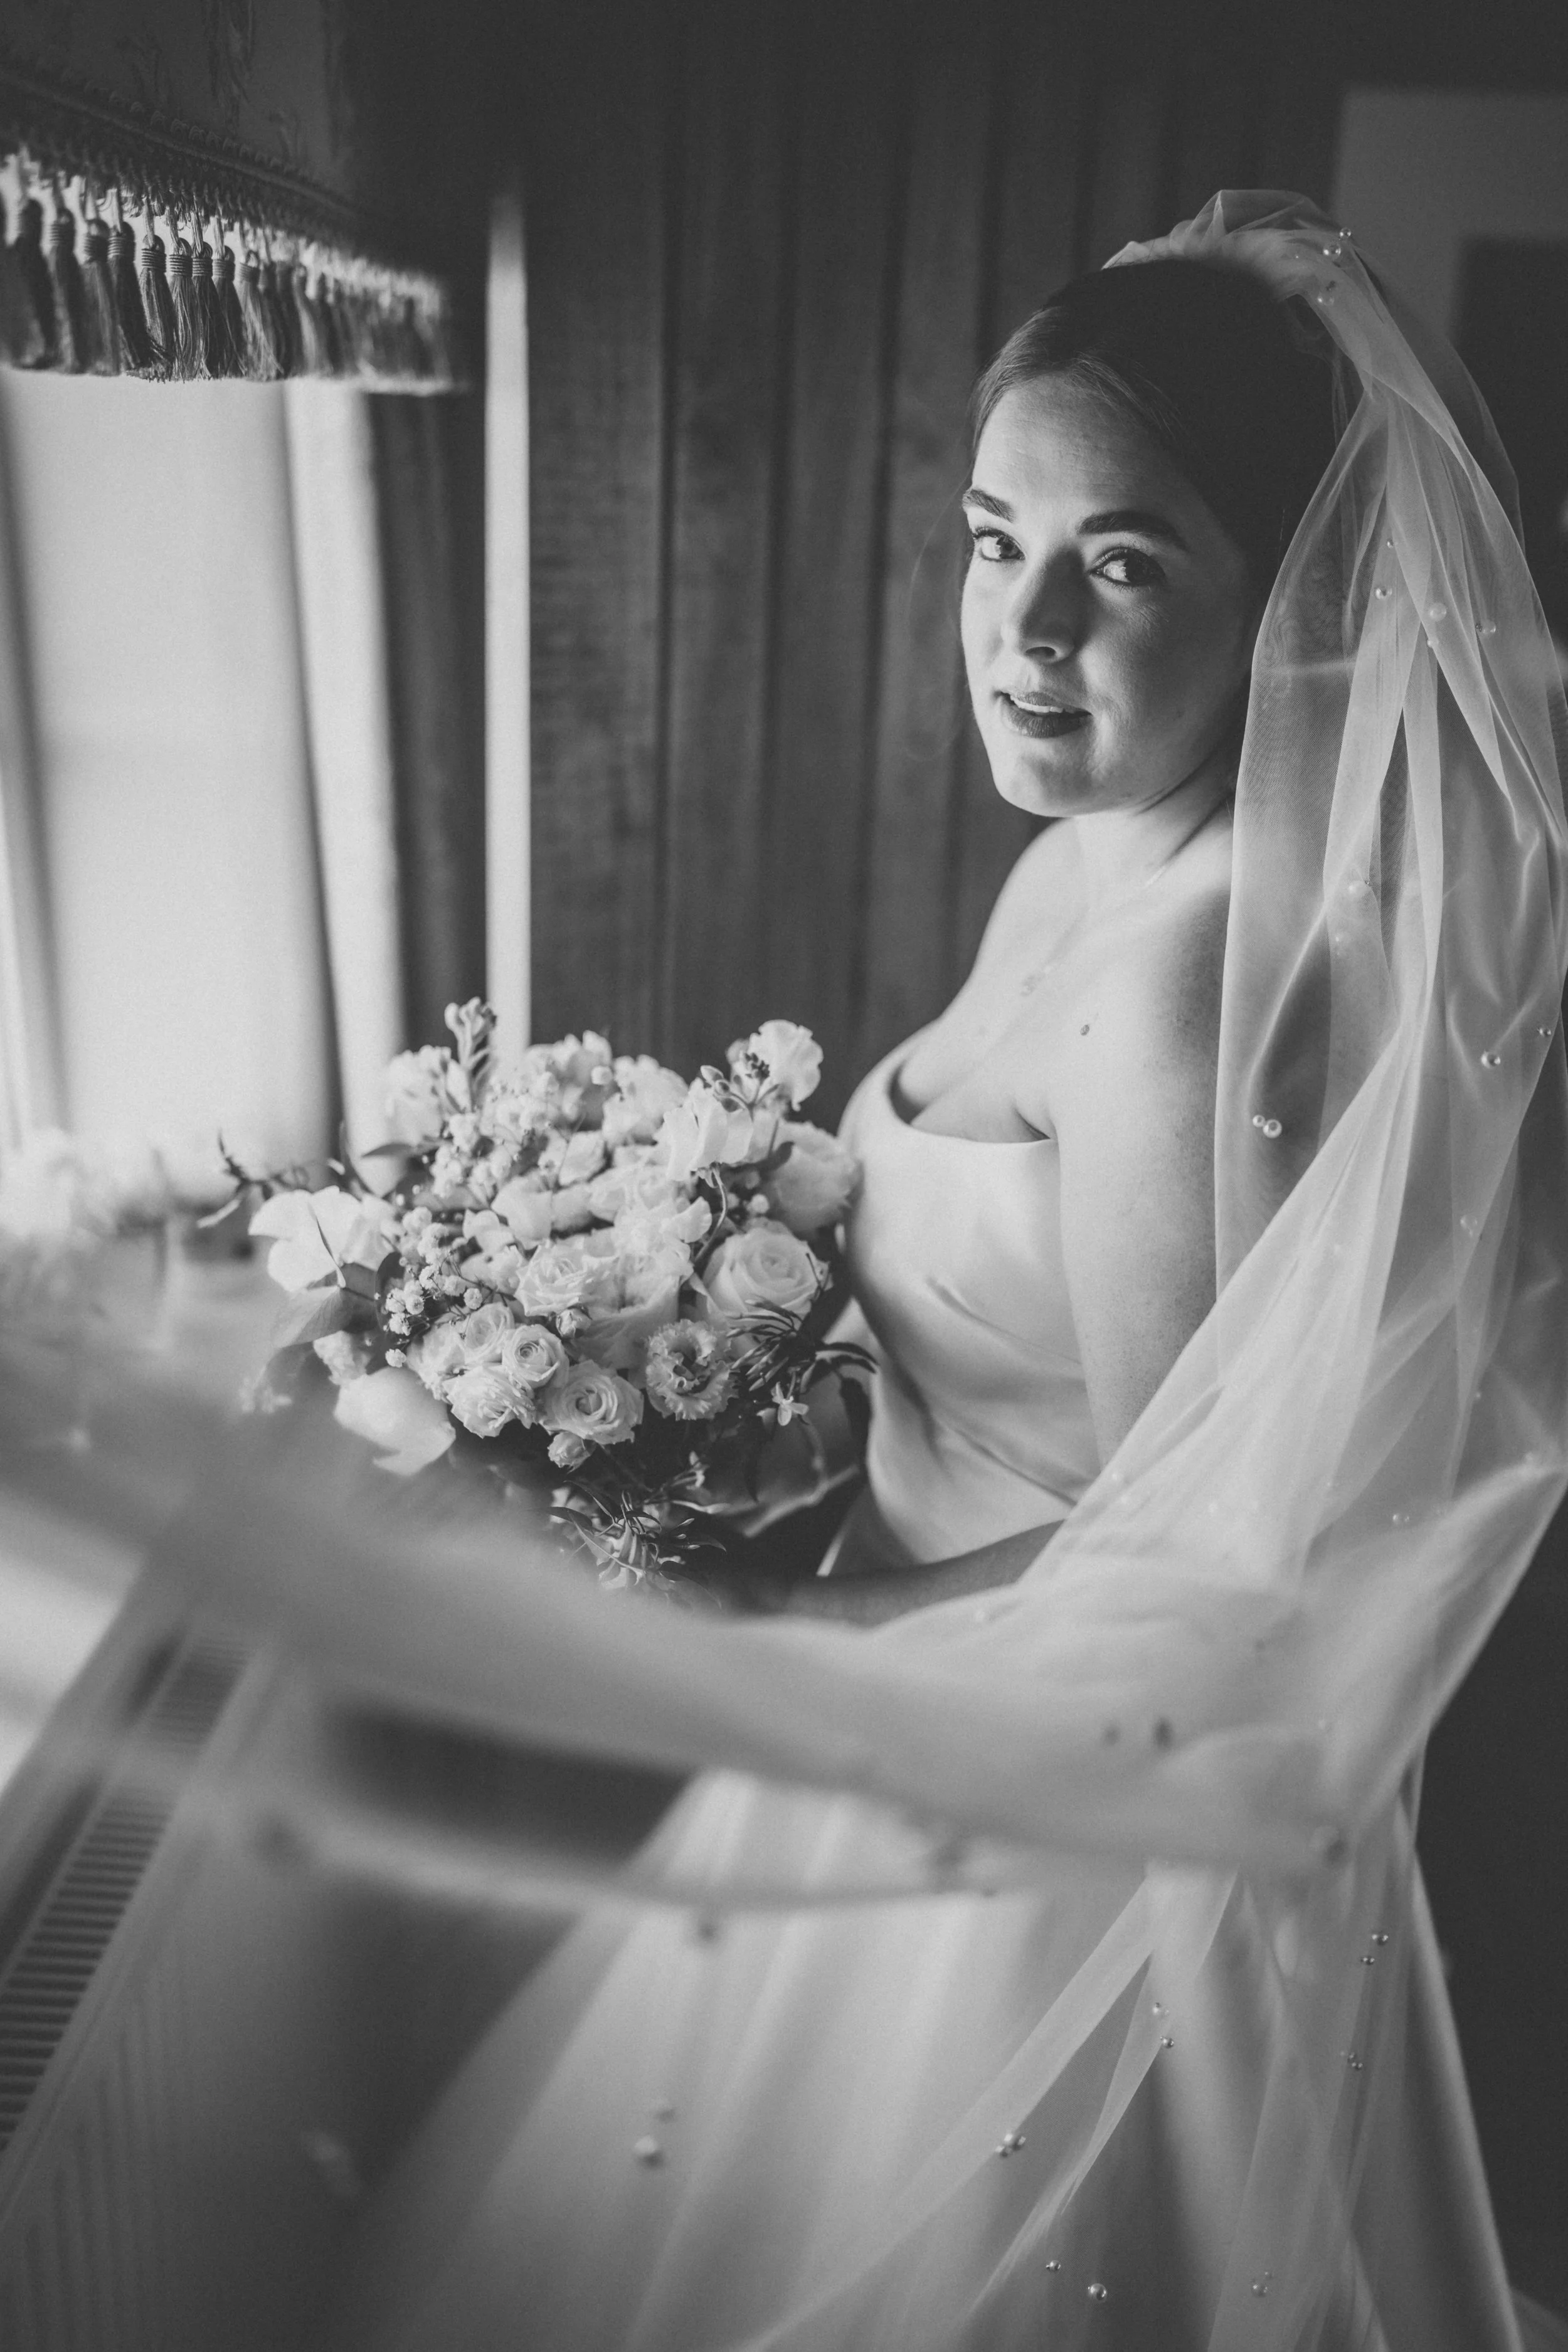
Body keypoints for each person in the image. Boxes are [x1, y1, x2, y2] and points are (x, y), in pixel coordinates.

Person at [319, 194, 1568, 2351]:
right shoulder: (1086, 856)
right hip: (921, 1702)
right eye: (996, 539)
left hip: (1067, 1828)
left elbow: (1205, 1574)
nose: (1025, 630)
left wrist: (779, 1631)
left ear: (1287, 604)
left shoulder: (1183, 993)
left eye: (1125, 561)